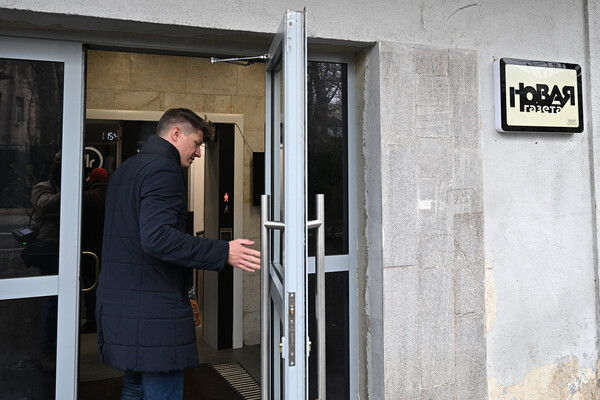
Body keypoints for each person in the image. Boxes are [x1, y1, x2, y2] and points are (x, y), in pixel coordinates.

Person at [95, 108, 260, 399]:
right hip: (153, 314)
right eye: (196, 143)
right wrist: (223, 251)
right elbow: (158, 239)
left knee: (133, 389)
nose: (198, 152)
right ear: (175, 133)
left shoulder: (127, 169)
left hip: (124, 307)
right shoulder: (164, 170)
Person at [29, 150, 61, 371]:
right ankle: (47, 349)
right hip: (50, 247)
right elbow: (44, 206)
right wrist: (69, 188)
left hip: (68, 246)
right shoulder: (43, 187)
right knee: (54, 300)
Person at [80, 167, 109, 333]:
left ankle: (92, 320)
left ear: (91, 180)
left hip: (90, 249)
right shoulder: (114, 196)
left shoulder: (87, 197)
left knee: (90, 286)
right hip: (110, 250)